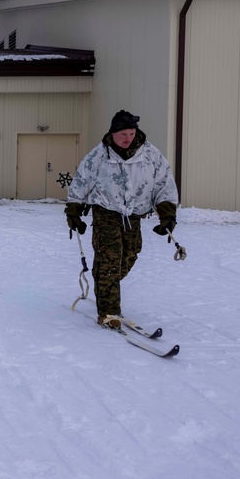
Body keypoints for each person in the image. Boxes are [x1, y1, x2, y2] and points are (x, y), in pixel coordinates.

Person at [65, 110, 179, 330]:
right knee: (109, 258)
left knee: (129, 255)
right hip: (105, 211)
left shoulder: (150, 155)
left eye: (131, 133)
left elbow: (163, 184)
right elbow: (81, 182)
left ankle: (105, 286)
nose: (127, 138)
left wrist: (167, 214)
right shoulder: (98, 156)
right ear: (113, 133)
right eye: (123, 134)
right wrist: (74, 211)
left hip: (134, 214)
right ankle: (108, 312)